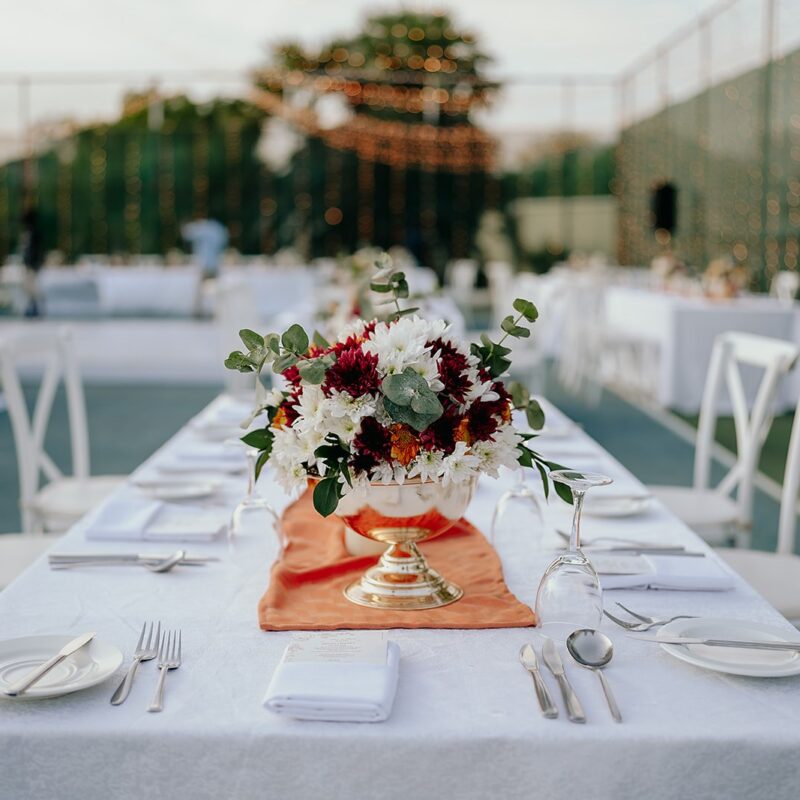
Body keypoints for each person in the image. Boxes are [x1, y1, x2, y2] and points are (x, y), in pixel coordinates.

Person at [20, 206, 44, 317]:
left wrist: (35, 265)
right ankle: (32, 307)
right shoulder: (28, 233)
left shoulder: (34, 233)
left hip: (32, 266)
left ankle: (35, 308)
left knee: (32, 288)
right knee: (28, 288)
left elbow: (38, 251)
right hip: (29, 265)